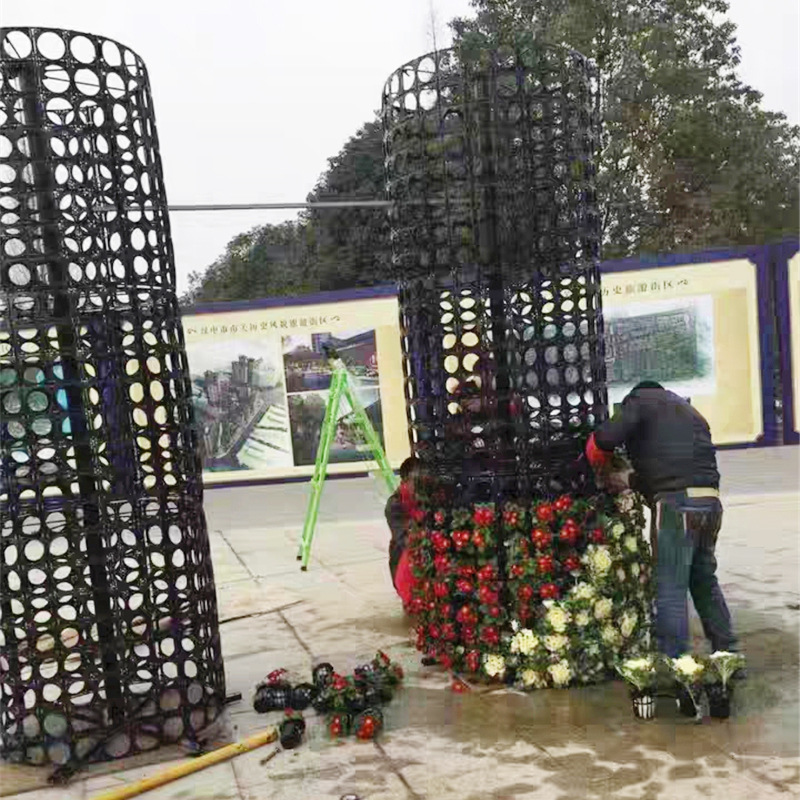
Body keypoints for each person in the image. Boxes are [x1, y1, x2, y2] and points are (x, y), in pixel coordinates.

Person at [586, 380, 738, 660]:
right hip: (711, 502)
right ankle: (728, 655)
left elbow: (603, 440)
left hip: (676, 507)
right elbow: (672, 467)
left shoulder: (640, 401)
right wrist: (631, 479)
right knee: (704, 580)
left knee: (670, 587)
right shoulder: (690, 412)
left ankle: (678, 665)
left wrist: (604, 466)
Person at [385, 456, 424, 607]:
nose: (421, 485)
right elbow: (404, 540)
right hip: (404, 558)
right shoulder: (395, 505)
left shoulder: (427, 497)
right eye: (417, 480)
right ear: (405, 480)